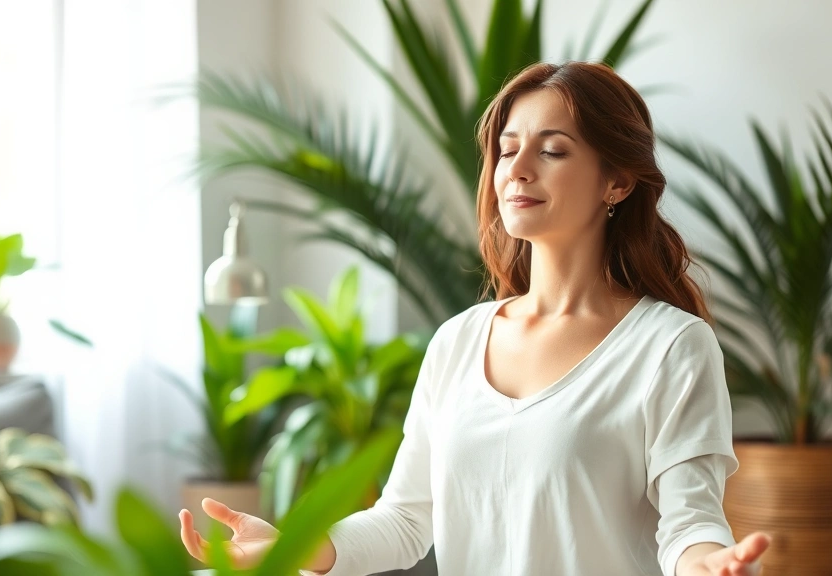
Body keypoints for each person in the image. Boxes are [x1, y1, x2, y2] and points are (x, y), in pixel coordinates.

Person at [178, 61, 772, 576]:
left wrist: (710, 563)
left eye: (553, 150)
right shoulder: (459, 340)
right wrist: (295, 548)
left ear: (616, 181)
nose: (517, 169)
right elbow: (407, 518)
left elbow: (690, 522)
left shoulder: (671, 347)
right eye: (507, 150)